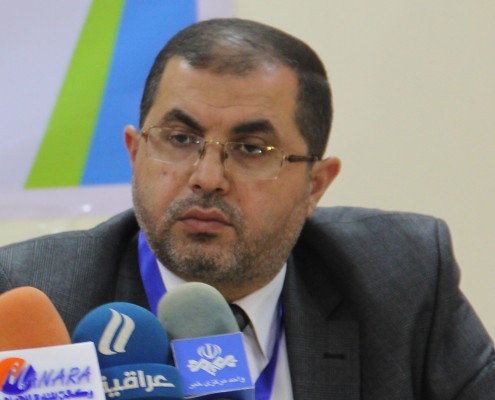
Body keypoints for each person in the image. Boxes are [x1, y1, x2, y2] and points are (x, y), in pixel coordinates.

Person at [0, 18, 494, 399]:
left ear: (315, 185)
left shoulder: (401, 279)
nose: (207, 177)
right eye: (180, 139)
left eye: (252, 149)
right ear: (135, 153)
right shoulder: (32, 298)